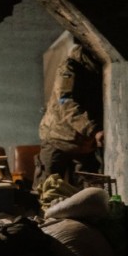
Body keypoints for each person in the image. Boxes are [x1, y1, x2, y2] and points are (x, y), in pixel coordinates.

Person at [34, 42, 104, 191]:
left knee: (89, 194)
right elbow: (65, 103)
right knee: (48, 192)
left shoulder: (98, 71)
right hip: (58, 138)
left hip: (84, 143)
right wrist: (94, 129)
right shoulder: (70, 68)